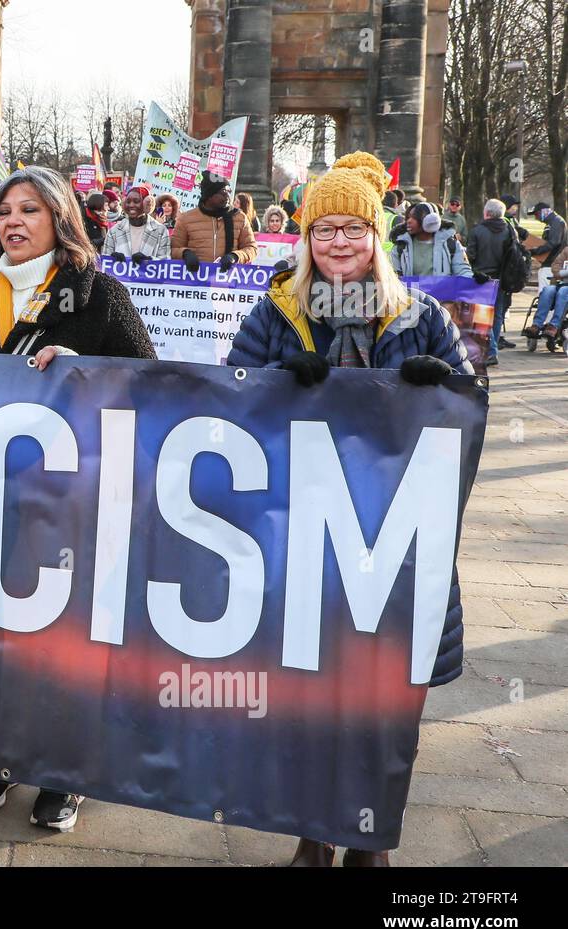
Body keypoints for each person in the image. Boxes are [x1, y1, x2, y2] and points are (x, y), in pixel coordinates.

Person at [227, 151, 471, 866]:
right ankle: (314, 833)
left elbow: (469, 404)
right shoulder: (276, 309)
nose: (339, 242)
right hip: (303, 530)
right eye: (324, 229)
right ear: (304, 238)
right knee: (310, 688)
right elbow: (226, 402)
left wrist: (441, 386)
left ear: (377, 237)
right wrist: (275, 380)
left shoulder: (419, 313)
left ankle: (368, 835)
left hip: (391, 536)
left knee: (385, 697)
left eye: (353, 229)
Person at [0, 165, 155, 830]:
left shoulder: (100, 295)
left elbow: (147, 381)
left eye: (28, 209)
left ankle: (65, 768)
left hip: (72, 497)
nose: (12, 221)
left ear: (59, 219)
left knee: (63, 638)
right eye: (5, 210)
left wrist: (82, 371)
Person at [466, 198, 519, 364]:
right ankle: (491, 350)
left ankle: (490, 350)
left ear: (487, 213)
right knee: (497, 317)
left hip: (480, 280)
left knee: (479, 316)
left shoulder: (477, 231)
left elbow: (470, 257)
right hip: (501, 280)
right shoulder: (510, 231)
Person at [172, 171, 258, 270]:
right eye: (223, 193)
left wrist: (235, 256)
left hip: (227, 279)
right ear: (209, 195)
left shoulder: (239, 217)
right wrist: (185, 254)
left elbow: (252, 248)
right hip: (195, 280)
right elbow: (173, 249)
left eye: (228, 192)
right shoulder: (186, 218)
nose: (228, 197)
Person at [389, 202, 473, 277]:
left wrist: (474, 279)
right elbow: (393, 276)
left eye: (414, 217)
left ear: (431, 220)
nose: (409, 221)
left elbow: (463, 271)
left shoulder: (451, 244)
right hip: (410, 294)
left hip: (441, 294)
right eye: (408, 217)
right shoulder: (401, 246)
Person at [103, 185, 171, 261]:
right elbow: (105, 261)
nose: (131, 205)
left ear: (147, 204)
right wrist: (112, 258)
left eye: (136, 201)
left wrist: (149, 260)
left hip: (148, 272)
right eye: (128, 202)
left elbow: (165, 261)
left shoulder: (161, 231)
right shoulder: (114, 231)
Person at [528, 244, 568, 352]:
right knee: (548, 290)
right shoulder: (566, 251)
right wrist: (563, 272)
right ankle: (537, 324)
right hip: (562, 283)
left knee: (563, 292)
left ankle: (554, 325)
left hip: (564, 289)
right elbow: (555, 267)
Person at [529, 202, 566, 268]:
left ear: (544, 211)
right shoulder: (552, 222)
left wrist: (534, 251)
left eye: (536, 214)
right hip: (551, 262)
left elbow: (553, 243)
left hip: (553, 263)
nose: (536, 218)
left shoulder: (557, 221)